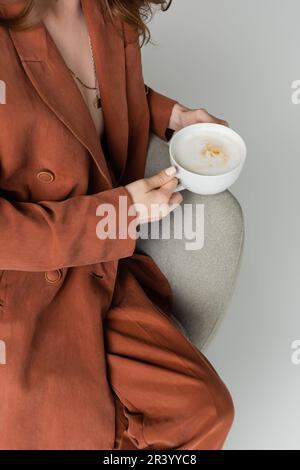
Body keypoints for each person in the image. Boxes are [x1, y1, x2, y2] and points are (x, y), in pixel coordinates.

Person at [0, 0, 234, 450]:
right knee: (61, 425)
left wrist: (174, 116)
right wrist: (118, 213)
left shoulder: (107, 10)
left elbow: (88, 90)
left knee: (205, 412)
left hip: (98, 273)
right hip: (23, 280)